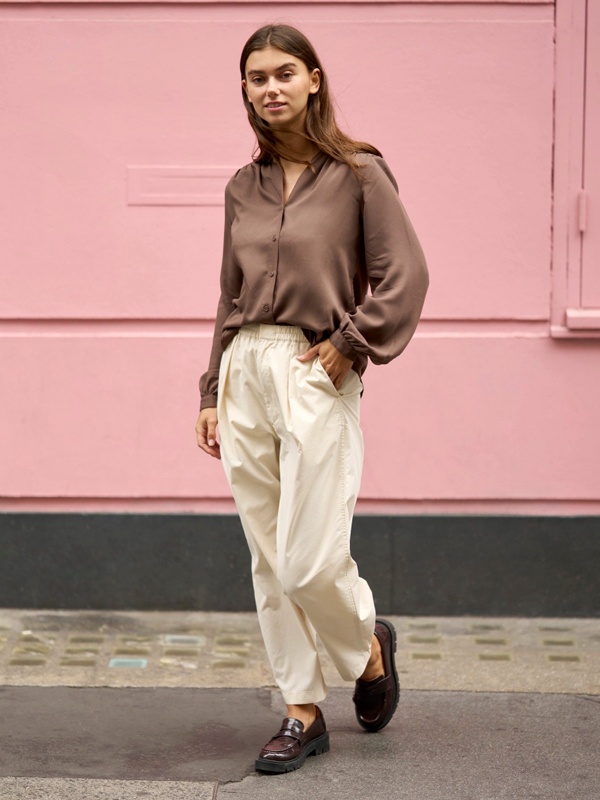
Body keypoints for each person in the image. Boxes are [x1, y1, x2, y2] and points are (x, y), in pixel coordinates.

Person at [196, 23, 429, 774]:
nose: (271, 88)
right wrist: (211, 387)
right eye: (257, 77)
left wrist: (350, 344)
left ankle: (366, 646)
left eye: (284, 73)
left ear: (313, 80)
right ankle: (301, 709)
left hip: (313, 367)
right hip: (245, 368)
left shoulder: (359, 174)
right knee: (268, 559)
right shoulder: (243, 186)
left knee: (307, 559)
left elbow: (405, 275)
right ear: (245, 90)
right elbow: (228, 294)